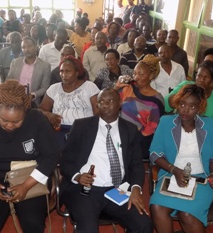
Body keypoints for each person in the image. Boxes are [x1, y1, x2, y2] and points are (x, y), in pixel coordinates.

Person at [0, 80, 59, 232]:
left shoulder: (38, 121)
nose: (9, 126)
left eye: (17, 121)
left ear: (25, 110)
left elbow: (50, 156)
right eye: (4, 120)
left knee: (33, 223)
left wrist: (25, 186)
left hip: (30, 178)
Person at [60, 88, 153, 233]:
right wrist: (77, 176)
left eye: (110, 101)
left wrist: (135, 189)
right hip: (85, 191)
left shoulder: (130, 129)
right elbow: (65, 161)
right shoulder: (81, 126)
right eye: (101, 102)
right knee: (88, 229)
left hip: (118, 190)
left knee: (143, 224)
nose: (105, 105)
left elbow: (136, 164)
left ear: (119, 103)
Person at [149, 84, 213, 233]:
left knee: (187, 215)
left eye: (192, 106)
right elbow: (154, 153)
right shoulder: (166, 122)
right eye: (182, 104)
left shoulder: (209, 125)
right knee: (157, 207)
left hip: (201, 180)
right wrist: (174, 170)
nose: (185, 110)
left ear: (199, 108)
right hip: (171, 175)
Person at [39, 55, 99, 147]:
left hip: (84, 131)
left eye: (68, 71)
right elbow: (41, 109)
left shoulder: (89, 87)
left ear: (77, 73)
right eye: (61, 71)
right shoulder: (54, 88)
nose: (64, 75)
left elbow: (98, 114)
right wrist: (48, 114)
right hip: (59, 131)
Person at [114, 54, 164, 159]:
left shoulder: (156, 100)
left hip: (140, 142)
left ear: (151, 76)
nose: (136, 77)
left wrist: (130, 139)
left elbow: (151, 129)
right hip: (119, 135)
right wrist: (116, 87)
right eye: (135, 73)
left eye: (141, 75)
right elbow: (110, 103)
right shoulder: (127, 88)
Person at [165, 60, 213, 132]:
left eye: (206, 77)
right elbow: (166, 105)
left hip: (203, 132)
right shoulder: (186, 86)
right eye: (199, 76)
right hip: (179, 127)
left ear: (212, 80)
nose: (201, 80)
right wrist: (182, 95)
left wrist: (204, 131)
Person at [7, 36, 51, 105]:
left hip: (32, 101)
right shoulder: (15, 62)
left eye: (29, 46)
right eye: (23, 47)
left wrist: (32, 95)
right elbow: (9, 80)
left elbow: (45, 87)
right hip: (15, 99)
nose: (26, 49)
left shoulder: (45, 66)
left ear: (36, 47)